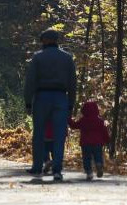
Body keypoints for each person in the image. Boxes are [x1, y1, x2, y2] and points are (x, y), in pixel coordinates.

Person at [23, 28, 76, 182]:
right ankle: (57, 169)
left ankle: (37, 166)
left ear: (45, 41)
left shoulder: (38, 58)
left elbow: (30, 81)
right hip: (61, 97)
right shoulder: (67, 58)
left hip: (42, 97)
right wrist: (71, 104)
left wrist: (28, 102)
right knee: (59, 135)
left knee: (39, 134)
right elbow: (73, 83)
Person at [69, 100, 110, 181]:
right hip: (98, 143)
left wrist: (68, 119)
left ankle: (89, 172)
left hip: (86, 143)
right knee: (98, 156)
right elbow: (104, 132)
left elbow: (74, 126)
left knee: (86, 158)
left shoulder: (83, 120)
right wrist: (107, 140)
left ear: (84, 110)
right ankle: (99, 164)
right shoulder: (100, 121)